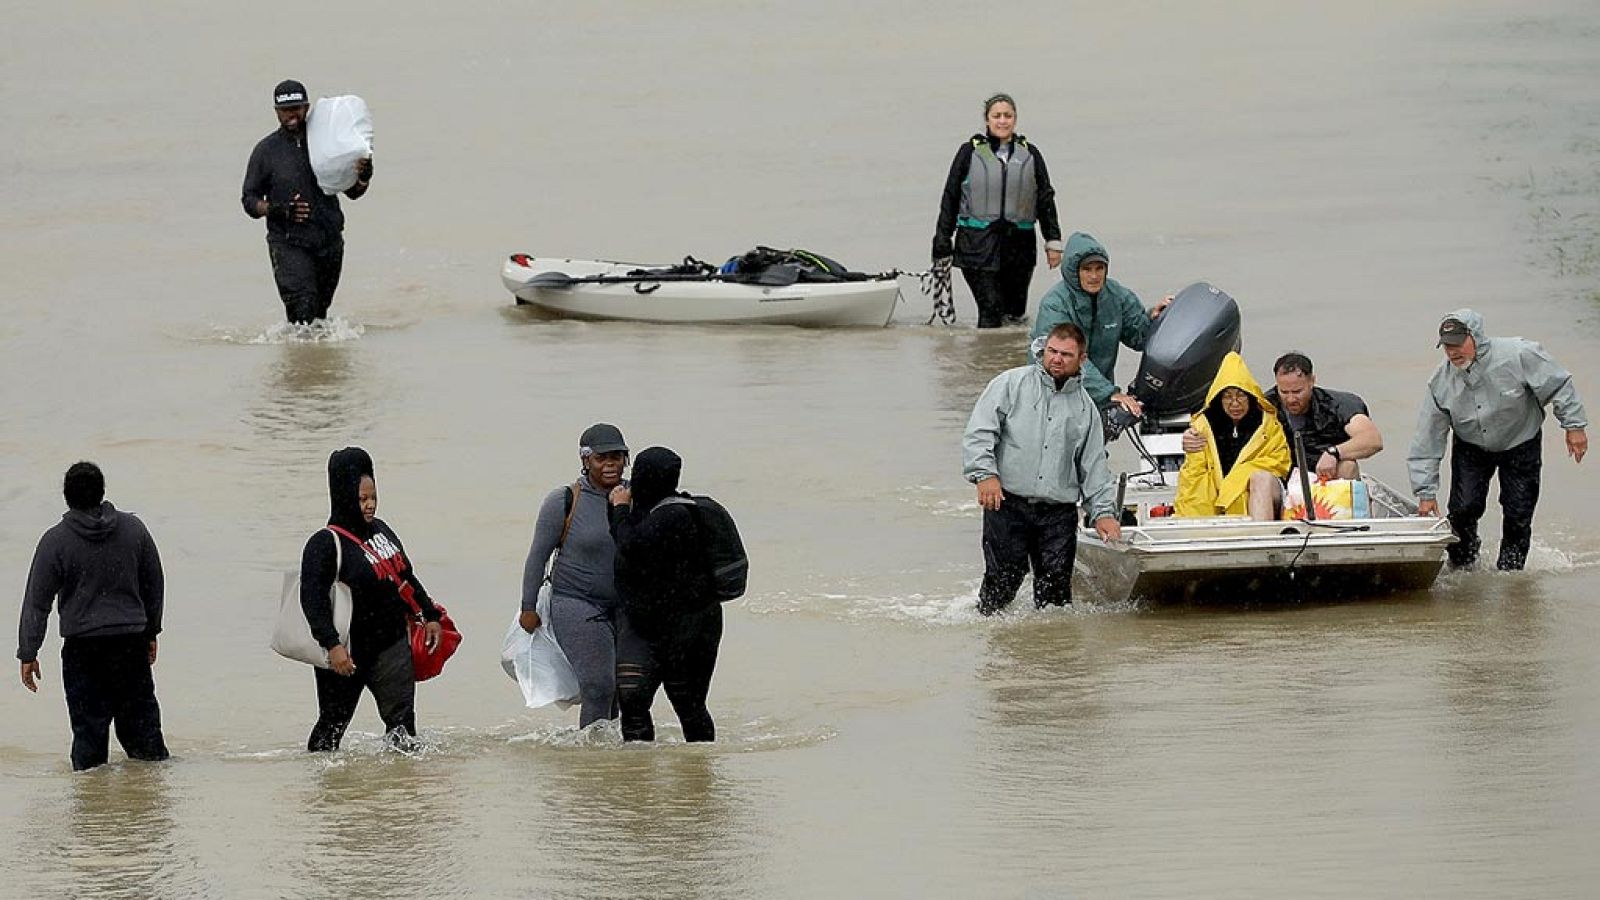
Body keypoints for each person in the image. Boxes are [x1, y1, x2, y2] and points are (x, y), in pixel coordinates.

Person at [17, 462, 170, 771]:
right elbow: (154, 582)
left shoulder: (55, 541)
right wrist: (151, 631)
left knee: (89, 743)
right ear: (102, 491)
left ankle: (92, 813)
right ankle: (150, 811)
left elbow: (37, 602)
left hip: (84, 652)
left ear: (66, 497)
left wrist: (28, 652)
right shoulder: (134, 530)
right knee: (145, 741)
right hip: (130, 646)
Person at [1407, 310, 1588, 570]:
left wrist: (1574, 426)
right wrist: (1425, 492)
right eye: (1447, 346)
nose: (1452, 352)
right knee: (1462, 510)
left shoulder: (1519, 354)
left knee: (1517, 514)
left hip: (1521, 441)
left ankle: (1511, 576)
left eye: (1458, 343)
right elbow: (1427, 438)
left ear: (1476, 337)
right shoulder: (1440, 382)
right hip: (1471, 447)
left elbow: (1558, 385)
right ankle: (1464, 567)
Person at [962, 323, 1122, 614]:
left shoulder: (1086, 409)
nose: (1056, 359)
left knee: (1056, 601)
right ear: (1043, 350)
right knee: (1001, 586)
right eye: (1052, 351)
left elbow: (1094, 466)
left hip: (1057, 514)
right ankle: (992, 645)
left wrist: (1104, 513)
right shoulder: (1010, 384)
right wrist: (984, 474)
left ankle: (1053, 657)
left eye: (1066, 354)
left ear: (1082, 359)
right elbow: (980, 432)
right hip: (1007, 503)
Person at [300, 447, 443, 751]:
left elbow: (405, 576)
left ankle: (398, 795)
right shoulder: (324, 544)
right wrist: (332, 645)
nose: (370, 506)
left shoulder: (382, 531)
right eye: (362, 499)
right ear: (343, 495)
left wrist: (430, 615)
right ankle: (326, 794)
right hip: (347, 655)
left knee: (403, 733)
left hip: (391, 648)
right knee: (330, 730)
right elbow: (311, 600)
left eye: (374, 497)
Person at [608, 447, 723, 742]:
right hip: (661, 624)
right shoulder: (660, 510)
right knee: (637, 701)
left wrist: (619, 507)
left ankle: (696, 776)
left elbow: (630, 544)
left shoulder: (672, 515)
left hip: (683, 629)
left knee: (685, 704)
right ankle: (642, 774)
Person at [519, 423, 629, 729]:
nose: (610, 465)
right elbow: (537, 557)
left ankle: (617, 764)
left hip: (625, 606)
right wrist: (528, 608)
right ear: (585, 460)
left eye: (617, 457)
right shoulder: (564, 500)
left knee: (623, 690)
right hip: (576, 603)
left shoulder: (635, 497)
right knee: (598, 686)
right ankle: (592, 762)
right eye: (602, 458)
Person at [241, 79, 373, 324]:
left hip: (329, 241)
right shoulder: (266, 151)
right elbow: (249, 200)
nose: (293, 115)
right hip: (289, 243)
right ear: (276, 112)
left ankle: (315, 363)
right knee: (302, 309)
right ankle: (297, 360)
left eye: (298, 108)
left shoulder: (328, 143)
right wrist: (277, 210)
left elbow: (353, 192)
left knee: (320, 316)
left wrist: (363, 176)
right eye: (286, 110)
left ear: (307, 107)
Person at [932, 93, 1064, 328]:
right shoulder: (968, 153)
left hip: (1019, 246)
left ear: (1015, 119)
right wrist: (942, 240)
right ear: (987, 120)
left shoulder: (1030, 154)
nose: (1002, 121)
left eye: (1008, 116)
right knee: (990, 310)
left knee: (1014, 314)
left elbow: (1045, 197)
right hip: (977, 245)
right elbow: (950, 197)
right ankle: (985, 362)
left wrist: (1052, 240)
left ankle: (1008, 357)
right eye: (997, 116)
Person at [1029, 232, 1170, 414]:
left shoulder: (1117, 296)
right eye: (1087, 269)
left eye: (1099, 268)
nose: (1094, 276)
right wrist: (1108, 393)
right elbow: (1064, 358)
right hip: (1054, 393)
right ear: (1074, 271)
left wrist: (1156, 319)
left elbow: (1139, 339)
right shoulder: (1055, 304)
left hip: (1099, 396)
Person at [1175, 352, 1292, 520]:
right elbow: (1194, 476)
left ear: (1251, 396)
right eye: (1227, 396)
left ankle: (1261, 541)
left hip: (1258, 497)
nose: (1234, 404)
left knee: (1261, 479)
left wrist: (1236, 481)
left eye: (1241, 396)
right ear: (1218, 399)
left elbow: (1279, 461)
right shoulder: (1202, 427)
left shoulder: (1267, 424)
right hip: (1215, 502)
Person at [1255, 352, 1383, 479]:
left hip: (1326, 475)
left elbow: (1372, 440)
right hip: (1283, 475)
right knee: (1259, 476)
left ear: (1312, 381)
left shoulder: (1338, 405)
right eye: (1284, 392)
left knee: (1347, 466)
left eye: (1297, 391)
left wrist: (1334, 453)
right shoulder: (1264, 407)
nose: (1290, 399)